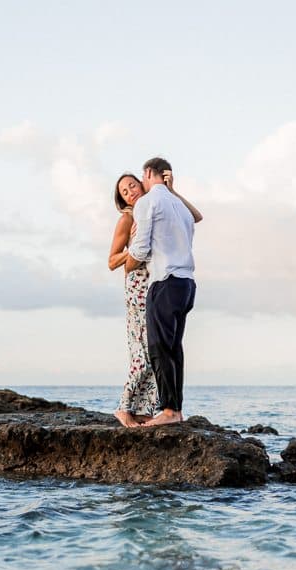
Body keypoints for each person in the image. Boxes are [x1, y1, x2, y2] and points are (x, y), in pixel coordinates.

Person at [123, 157, 203, 427]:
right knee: (174, 348)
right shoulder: (180, 207)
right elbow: (196, 218)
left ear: (147, 173)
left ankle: (169, 410)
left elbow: (141, 249)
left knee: (159, 348)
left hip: (164, 280)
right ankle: (176, 410)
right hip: (186, 284)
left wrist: (128, 263)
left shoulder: (148, 202)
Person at [107, 173, 158, 427]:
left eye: (132, 186)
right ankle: (123, 407)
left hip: (155, 284)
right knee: (141, 350)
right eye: (124, 191)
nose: (130, 192)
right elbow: (112, 261)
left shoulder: (150, 212)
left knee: (155, 349)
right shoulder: (127, 219)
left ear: (141, 185)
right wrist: (132, 248)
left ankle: (145, 410)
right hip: (137, 285)